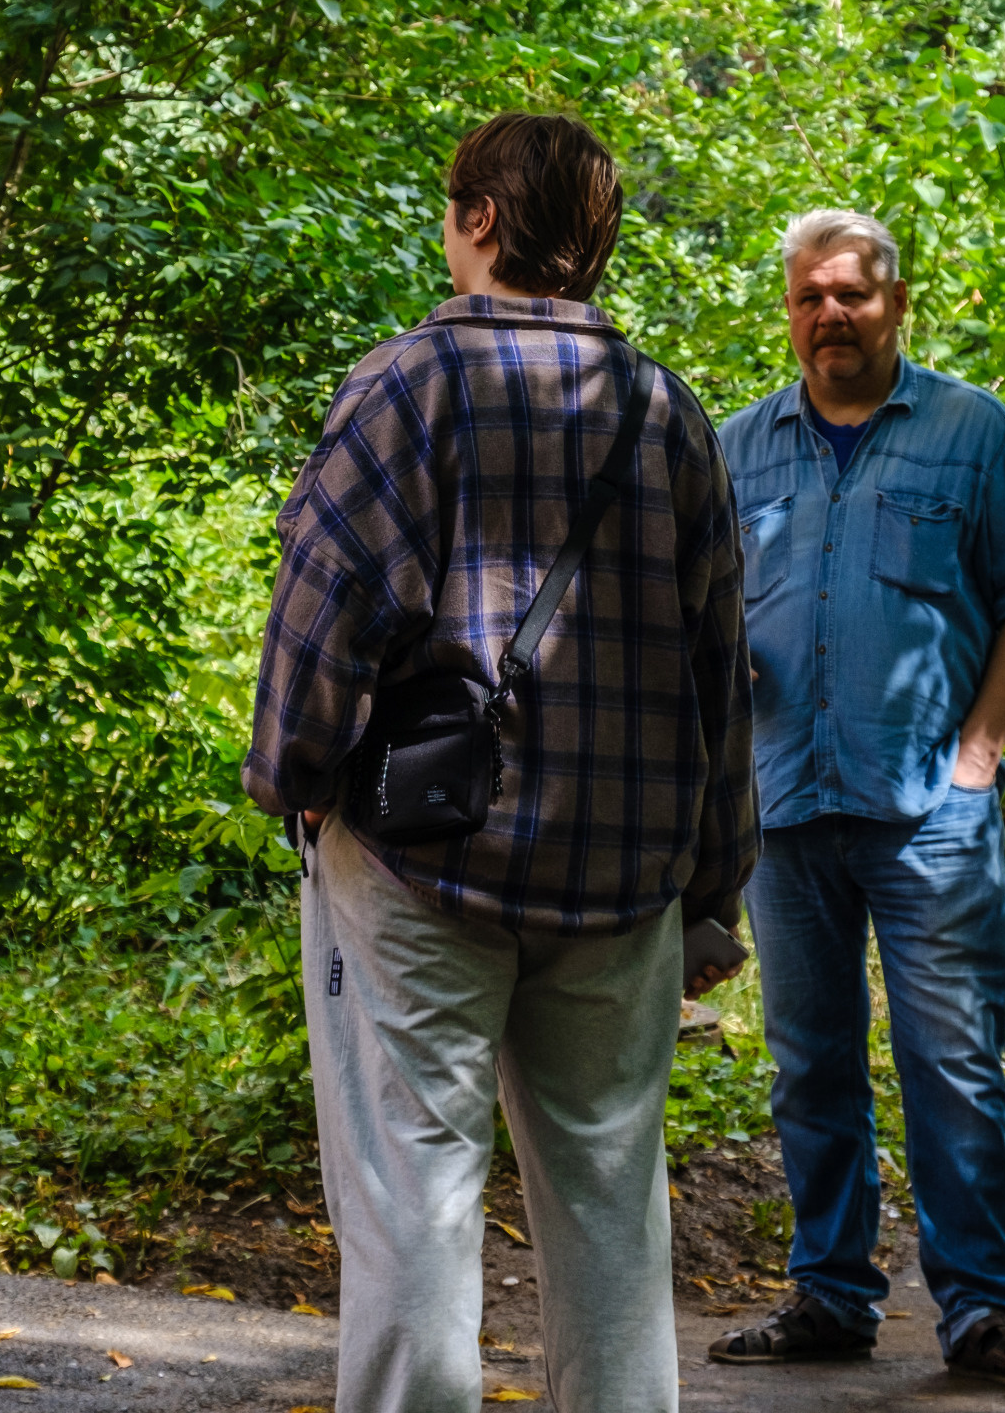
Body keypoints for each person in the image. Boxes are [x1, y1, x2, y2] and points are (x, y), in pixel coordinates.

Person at [250, 111, 757, 1413]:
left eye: (449, 207)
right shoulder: (668, 412)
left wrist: (299, 783)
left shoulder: (406, 387)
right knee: (610, 1214)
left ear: (479, 220)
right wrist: (713, 886)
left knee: (414, 1201)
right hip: (622, 881)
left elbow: (323, 612)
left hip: (425, 865)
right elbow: (718, 674)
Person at [706, 210, 1005, 1391]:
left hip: (931, 809)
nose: (832, 316)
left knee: (952, 1063)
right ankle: (831, 1293)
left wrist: (982, 748)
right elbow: (695, 608)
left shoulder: (974, 435)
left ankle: (980, 1308)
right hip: (785, 809)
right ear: (789, 309)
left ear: (896, 302)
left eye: (853, 296)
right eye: (811, 296)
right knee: (808, 1063)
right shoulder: (736, 449)